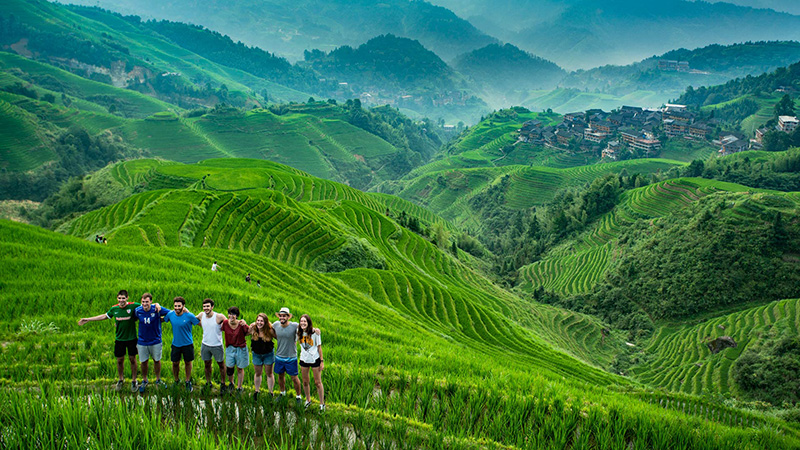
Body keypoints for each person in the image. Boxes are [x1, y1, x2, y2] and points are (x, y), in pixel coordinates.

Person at [77, 289, 140, 392]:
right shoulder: (114, 309)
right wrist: (88, 319)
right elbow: (104, 316)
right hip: (119, 339)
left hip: (131, 338)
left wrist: (157, 306)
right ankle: (120, 379)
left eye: (123, 298)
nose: (121, 300)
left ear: (127, 298)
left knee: (132, 359)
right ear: (117, 298)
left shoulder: (133, 306)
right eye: (119, 298)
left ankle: (134, 381)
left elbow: (146, 307)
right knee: (120, 360)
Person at [272, 307, 319, 405]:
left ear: (288, 317)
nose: (282, 318)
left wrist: (315, 329)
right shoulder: (275, 325)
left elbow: (305, 327)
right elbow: (265, 327)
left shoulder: (294, 326)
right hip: (279, 356)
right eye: (280, 316)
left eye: (284, 316)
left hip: (291, 357)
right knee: (280, 376)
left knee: (294, 378)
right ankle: (282, 392)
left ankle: (298, 396)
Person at [135, 293, 169, 393]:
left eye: (147, 302)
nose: (145, 304)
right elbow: (132, 318)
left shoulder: (157, 309)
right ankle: (145, 380)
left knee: (157, 360)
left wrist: (162, 320)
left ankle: (158, 380)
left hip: (156, 341)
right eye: (143, 302)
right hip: (142, 341)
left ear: (151, 302)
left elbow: (171, 313)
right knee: (143, 362)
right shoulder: (138, 310)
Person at [164, 296, 200, 392]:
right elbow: (163, 319)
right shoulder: (170, 314)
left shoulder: (189, 316)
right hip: (176, 344)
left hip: (187, 344)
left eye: (179, 306)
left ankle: (187, 381)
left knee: (188, 362)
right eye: (175, 306)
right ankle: (176, 380)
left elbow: (200, 323)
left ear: (183, 306)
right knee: (175, 363)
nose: (177, 308)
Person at [197, 298, 226, 391]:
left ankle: (223, 383)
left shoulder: (219, 316)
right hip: (205, 344)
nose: (206, 308)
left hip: (217, 345)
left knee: (221, 364)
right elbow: (193, 319)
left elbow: (228, 323)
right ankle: (208, 382)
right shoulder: (201, 315)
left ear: (212, 307)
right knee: (207, 364)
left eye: (208, 306)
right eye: (204, 306)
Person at [297, 314, 325, 411]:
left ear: (308, 323)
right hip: (303, 359)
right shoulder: (298, 332)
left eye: (305, 321)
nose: (303, 323)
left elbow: (319, 347)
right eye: (301, 321)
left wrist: (321, 361)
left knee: (318, 382)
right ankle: (308, 400)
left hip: (315, 360)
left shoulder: (315, 333)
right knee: (305, 382)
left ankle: (322, 404)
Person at [221, 306, 249, 393]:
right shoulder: (225, 323)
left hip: (241, 348)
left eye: (233, 314)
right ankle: (231, 383)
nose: (231, 316)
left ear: (237, 316)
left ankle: (239, 387)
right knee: (230, 368)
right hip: (230, 348)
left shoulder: (241, 324)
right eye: (229, 314)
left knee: (240, 368)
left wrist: (246, 324)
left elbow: (248, 332)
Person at [248, 313, 276, 400]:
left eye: (262, 321)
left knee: (269, 373)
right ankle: (257, 391)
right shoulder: (253, 329)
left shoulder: (270, 331)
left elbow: (280, 338)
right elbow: (244, 332)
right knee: (258, 373)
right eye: (258, 320)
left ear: (265, 322)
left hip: (268, 354)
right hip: (256, 354)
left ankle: (270, 392)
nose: (259, 323)